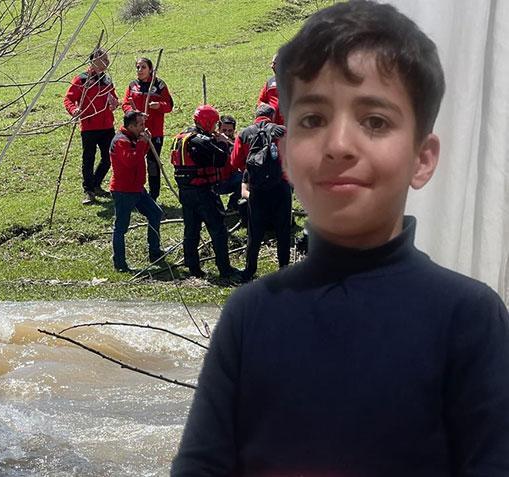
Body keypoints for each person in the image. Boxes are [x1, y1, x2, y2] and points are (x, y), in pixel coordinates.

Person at [172, 2, 509, 476]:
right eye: (313, 120)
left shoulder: (470, 317)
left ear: (422, 158)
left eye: (375, 121)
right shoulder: (249, 316)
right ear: (287, 155)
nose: (339, 145)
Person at [169, 105, 241, 281]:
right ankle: (225, 269)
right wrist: (222, 142)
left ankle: (193, 267)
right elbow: (220, 159)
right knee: (218, 230)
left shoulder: (183, 137)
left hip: (186, 192)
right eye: (215, 123)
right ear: (207, 122)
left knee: (191, 230)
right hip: (203, 192)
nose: (216, 127)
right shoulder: (200, 141)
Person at [229, 103, 290, 282]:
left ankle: (249, 270)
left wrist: (251, 172)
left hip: (257, 189)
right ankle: (284, 269)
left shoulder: (244, 134)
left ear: (256, 116)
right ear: (272, 116)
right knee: (283, 230)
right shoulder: (283, 131)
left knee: (254, 232)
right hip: (280, 186)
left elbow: (234, 162)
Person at [63, 48, 120, 205]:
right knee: (88, 159)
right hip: (89, 126)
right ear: (94, 61)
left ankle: (95, 184)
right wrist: (74, 110)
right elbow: (68, 99)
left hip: (107, 126)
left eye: (107, 59)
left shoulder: (107, 79)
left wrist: (114, 103)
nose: (107, 62)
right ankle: (89, 191)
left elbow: (114, 98)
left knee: (109, 158)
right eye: (104, 59)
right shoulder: (81, 79)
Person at [109, 111, 163, 272]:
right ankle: (120, 263)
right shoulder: (121, 141)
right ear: (131, 126)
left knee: (155, 213)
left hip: (137, 188)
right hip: (124, 190)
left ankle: (154, 251)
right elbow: (131, 161)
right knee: (121, 227)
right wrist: (142, 143)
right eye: (140, 125)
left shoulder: (133, 138)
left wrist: (144, 143)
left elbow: (140, 155)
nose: (143, 127)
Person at [121, 57, 174, 200]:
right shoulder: (133, 85)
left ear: (150, 69)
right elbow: (125, 104)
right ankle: (134, 192)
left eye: (143, 67)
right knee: (134, 163)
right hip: (135, 132)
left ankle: (153, 195)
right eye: (138, 67)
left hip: (154, 133)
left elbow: (169, 105)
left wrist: (159, 106)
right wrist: (134, 114)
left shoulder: (159, 85)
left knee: (153, 164)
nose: (140, 70)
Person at [215, 115, 244, 214]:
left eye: (230, 131)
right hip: (214, 182)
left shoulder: (236, 143)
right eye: (224, 130)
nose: (227, 133)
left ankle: (233, 205)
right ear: (218, 129)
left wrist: (230, 144)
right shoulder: (210, 142)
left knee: (246, 178)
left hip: (230, 179)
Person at [257, 53, 284, 126]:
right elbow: (261, 101)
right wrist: (267, 110)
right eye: (272, 63)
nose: (272, 66)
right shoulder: (270, 82)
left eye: (274, 63)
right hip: (273, 126)